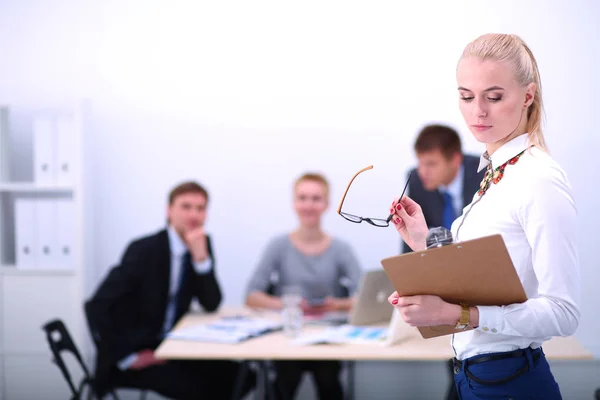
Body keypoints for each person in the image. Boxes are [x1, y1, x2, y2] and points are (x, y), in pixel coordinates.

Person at [388, 33, 580, 399]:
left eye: (494, 97)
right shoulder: (496, 173)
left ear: (527, 95)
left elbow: (563, 313)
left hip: (510, 381)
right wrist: (421, 241)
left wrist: (454, 315)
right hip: (476, 377)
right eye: (466, 96)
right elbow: (484, 278)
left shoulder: (538, 178)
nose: (478, 111)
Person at [85, 181, 252, 399]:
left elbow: (211, 303)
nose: (194, 214)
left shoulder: (201, 244)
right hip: (137, 352)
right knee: (202, 388)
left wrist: (201, 260)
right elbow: (96, 306)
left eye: (200, 208)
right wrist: (127, 357)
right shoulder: (145, 249)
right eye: (186, 206)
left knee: (244, 375)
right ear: (169, 210)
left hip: (172, 346)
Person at [245, 172, 362, 400]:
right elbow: (252, 295)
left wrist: (336, 305)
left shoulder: (341, 248)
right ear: (294, 203)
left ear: (326, 204)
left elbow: (366, 296)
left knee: (328, 378)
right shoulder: (278, 245)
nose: (309, 205)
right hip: (288, 335)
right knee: (285, 380)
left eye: (316, 198)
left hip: (328, 335)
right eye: (303, 198)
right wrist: (287, 304)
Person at [402, 124, 485, 254]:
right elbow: (411, 240)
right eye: (420, 162)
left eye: (431, 164)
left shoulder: (484, 175)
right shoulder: (416, 181)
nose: (423, 172)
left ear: (455, 160)